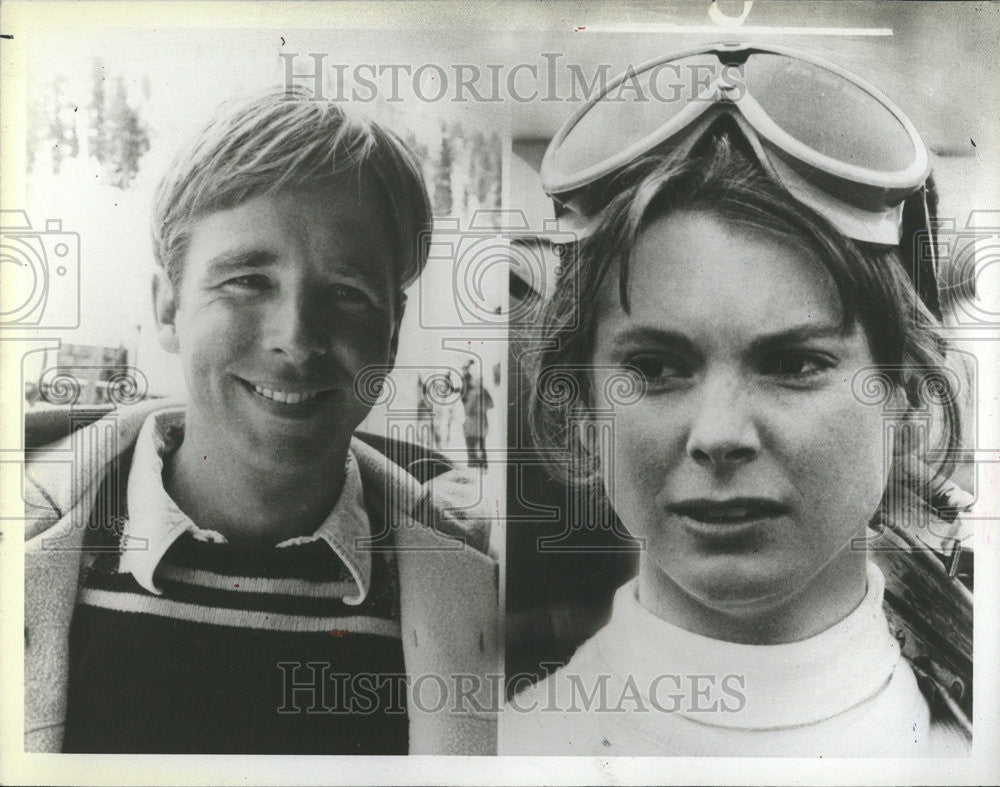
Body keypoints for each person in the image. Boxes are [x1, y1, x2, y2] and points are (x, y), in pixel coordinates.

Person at [503, 43, 971, 756]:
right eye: (657, 368)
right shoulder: (508, 756)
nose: (719, 434)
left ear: (905, 397)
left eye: (793, 363)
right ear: (583, 404)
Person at [23, 86, 498, 754]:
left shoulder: (484, 590)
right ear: (168, 308)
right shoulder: (37, 543)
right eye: (247, 280)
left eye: (348, 294)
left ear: (392, 335)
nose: (297, 339)